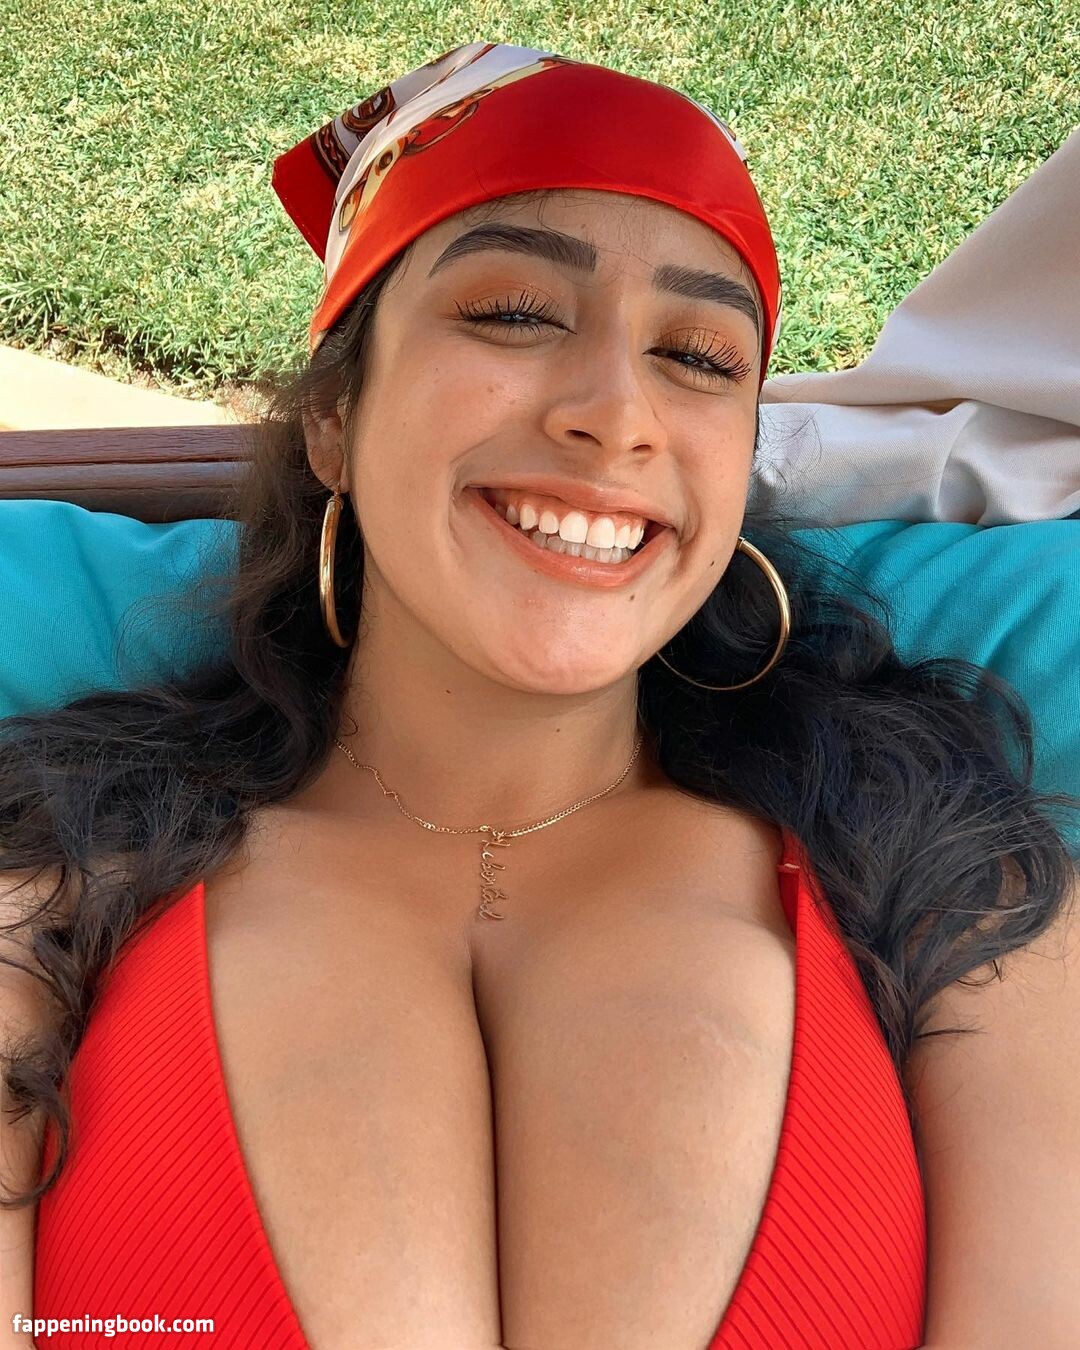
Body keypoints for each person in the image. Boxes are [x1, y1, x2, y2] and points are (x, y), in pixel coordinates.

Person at [3, 41, 1078, 1350]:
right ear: (333, 417)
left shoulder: (959, 882)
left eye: (700, 357)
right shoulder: (46, 897)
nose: (616, 413)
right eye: (515, 314)